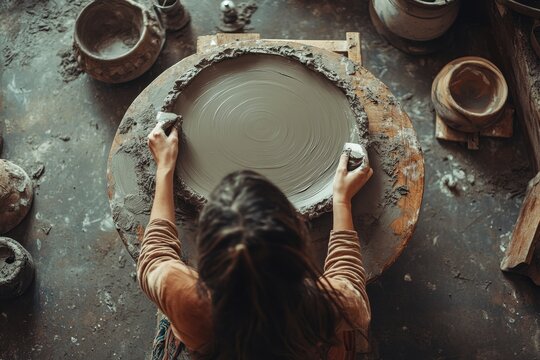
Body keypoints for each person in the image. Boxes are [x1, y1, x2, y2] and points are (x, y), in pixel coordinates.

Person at [138, 121, 373, 360]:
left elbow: (155, 253)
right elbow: (351, 286)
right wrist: (342, 201)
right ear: (298, 245)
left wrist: (165, 168)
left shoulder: (181, 294)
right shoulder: (323, 306)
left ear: (206, 257)